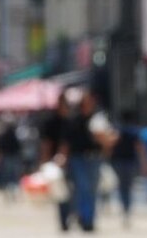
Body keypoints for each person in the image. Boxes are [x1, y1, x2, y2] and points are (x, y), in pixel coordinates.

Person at [64, 88, 116, 232]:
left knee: (93, 190)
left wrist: (107, 144)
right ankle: (84, 217)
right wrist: (63, 158)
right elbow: (67, 141)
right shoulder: (74, 120)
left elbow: (107, 139)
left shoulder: (98, 119)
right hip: (78, 158)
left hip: (94, 157)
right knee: (83, 188)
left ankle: (89, 219)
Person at [38, 87, 75, 232]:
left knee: (72, 191)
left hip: (72, 161)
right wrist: (45, 160)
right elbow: (46, 143)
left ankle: (71, 216)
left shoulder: (71, 121)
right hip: (55, 162)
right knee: (60, 193)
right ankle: (64, 220)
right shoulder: (52, 122)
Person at [109, 110, 147, 227]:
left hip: (118, 162)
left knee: (122, 187)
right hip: (130, 162)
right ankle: (127, 209)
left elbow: (111, 146)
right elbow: (140, 148)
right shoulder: (134, 131)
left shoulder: (117, 130)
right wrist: (144, 162)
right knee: (128, 187)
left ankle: (124, 208)